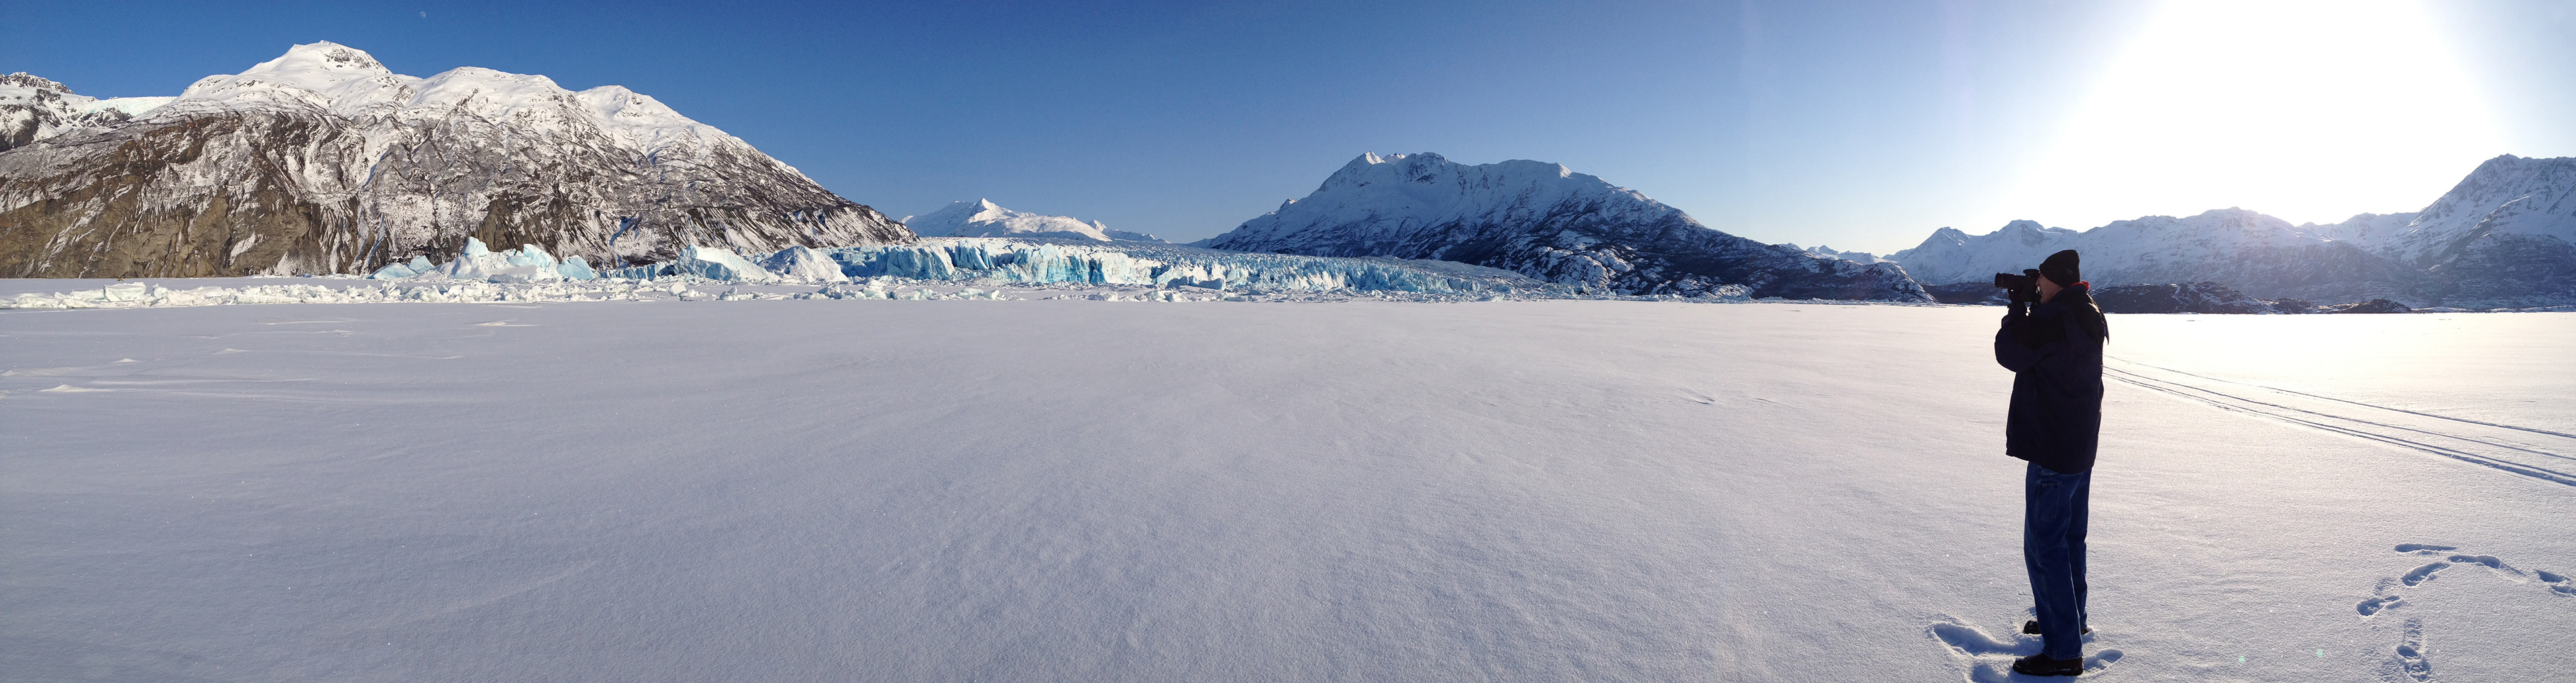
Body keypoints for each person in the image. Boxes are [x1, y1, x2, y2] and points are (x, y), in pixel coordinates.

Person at [1993, 249, 2110, 677]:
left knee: (2044, 548)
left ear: (2053, 280)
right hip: (2079, 447)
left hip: (2052, 451)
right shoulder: (2088, 312)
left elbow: (2009, 352)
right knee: (2069, 540)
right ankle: (2070, 620)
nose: (2035, 286)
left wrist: (2016, 309)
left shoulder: (2053, 317)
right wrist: (2031, 305)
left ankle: (2062, 651)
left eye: (2039, 280)